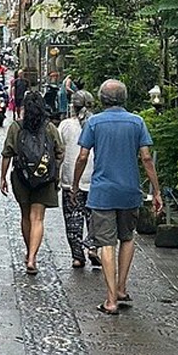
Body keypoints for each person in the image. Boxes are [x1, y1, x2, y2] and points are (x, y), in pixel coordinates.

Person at [72, 79, 163, 315]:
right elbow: (146, 158)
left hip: (103, 192)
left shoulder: (94, 122)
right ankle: (122, 288)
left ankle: (111, 300)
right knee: (127, 237)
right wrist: (156, 190)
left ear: (101, 99)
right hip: (130, 190)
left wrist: (75, 184)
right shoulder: (137, 122)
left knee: (106, 243)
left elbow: (82, 157)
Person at [0, 90, 64, 275]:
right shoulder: (50, 128)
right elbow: (60, 151)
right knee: (38, 218)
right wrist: (53, 170)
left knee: (25, 216)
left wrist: (2, 177)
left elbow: (7, 153)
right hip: (44, 179)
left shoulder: (16, 127)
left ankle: (29, 251)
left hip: (22, 178)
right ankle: (32, 258)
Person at [59, 90, 97, 268]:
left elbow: (59, 151)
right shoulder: (97, 124)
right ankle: (93, 247)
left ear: (72, 106)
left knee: (72, 218)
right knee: (94, 217)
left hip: (71, 177)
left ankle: (77, 256)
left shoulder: (66, 125)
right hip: (94, 177)